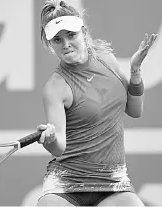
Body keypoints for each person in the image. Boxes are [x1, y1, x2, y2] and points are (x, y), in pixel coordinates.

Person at [36, 0, 158, 206]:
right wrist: (50, 140)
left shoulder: (106, 60)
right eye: (57, 39)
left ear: (83, 32)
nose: (66, 44)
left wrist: (135, 71)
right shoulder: (55, 88)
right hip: (66, 184)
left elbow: (135, 110)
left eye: (71, 35)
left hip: (113, 183)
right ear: (50, 44)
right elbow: (59, 148)